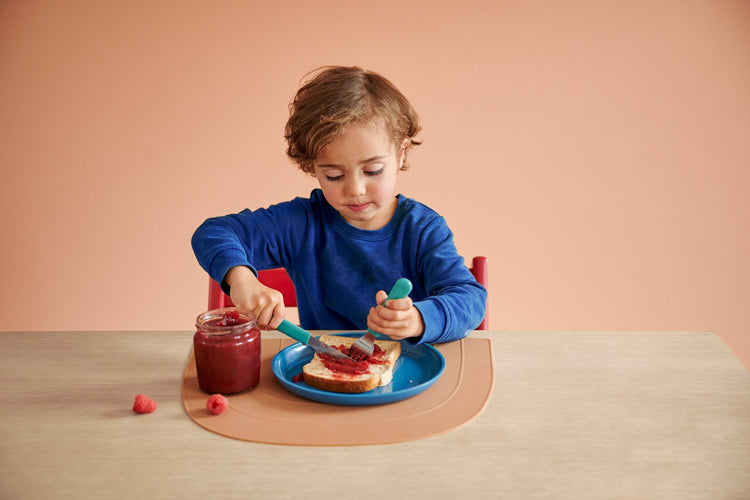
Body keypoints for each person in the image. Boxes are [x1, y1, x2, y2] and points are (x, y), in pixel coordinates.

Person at [191, 65, 486, 344]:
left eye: (372, 171)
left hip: (410, 378)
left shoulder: (423, 229)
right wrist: (241, 280)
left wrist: (419, 319)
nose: (355, 190)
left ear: (400, 153)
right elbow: (214, 232)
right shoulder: (303, 224)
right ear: (312, 167)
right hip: (322, 384)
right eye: (333, 175)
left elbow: (470, 299)